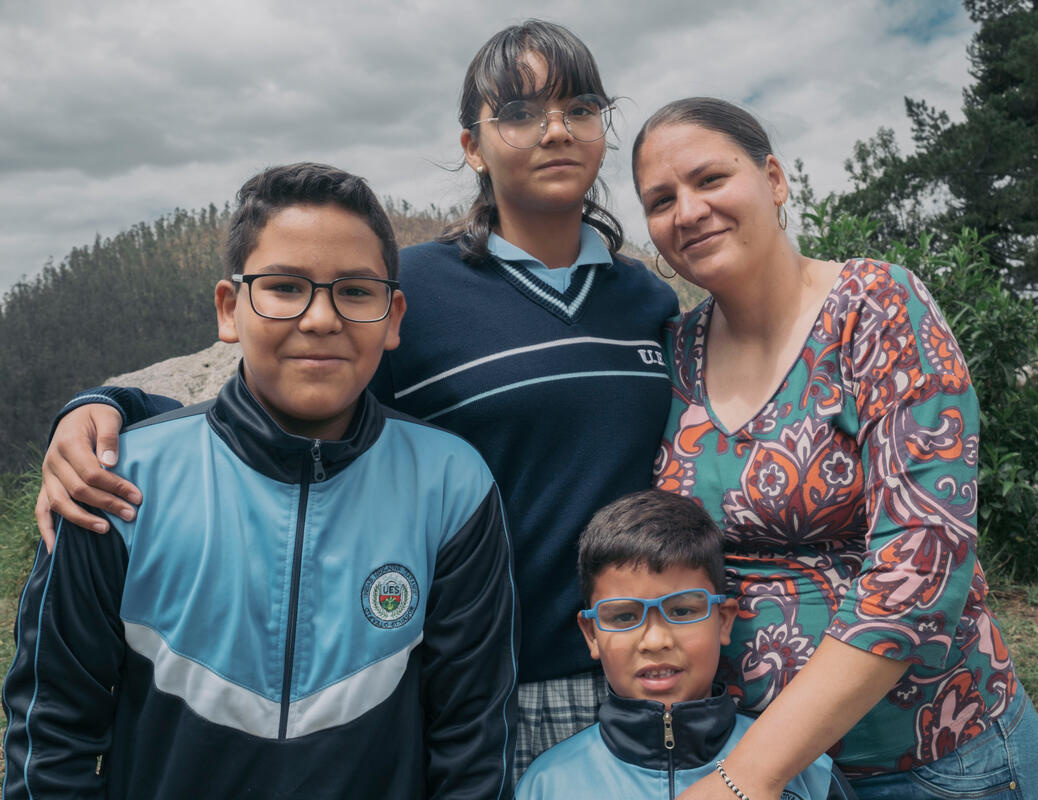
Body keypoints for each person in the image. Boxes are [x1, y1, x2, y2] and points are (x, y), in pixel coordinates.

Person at [31, 20, 678, 774]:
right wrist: (106, 407)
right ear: (472, 145)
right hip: (482, 676)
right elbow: (296, 402)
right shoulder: (424, 290)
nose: (556, 131)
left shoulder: (644, 296)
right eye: (521, 112)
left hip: (644, 666)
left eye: (581, 108)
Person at [3, 163, 518, 799]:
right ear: (229, 308)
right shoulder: (116, 481)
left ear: (392, 317)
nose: (322, 319)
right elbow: (52, 734)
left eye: (356, 292)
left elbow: (471, 741)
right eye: (283, 287)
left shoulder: (451, 487)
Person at [632, 98, 1038, 800]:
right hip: (766, 762)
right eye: (661, 199)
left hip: (931, 760)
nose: (689, 210)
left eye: (710, 178)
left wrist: (746, 778)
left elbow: (921, 564)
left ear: (773, 179)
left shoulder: (877, 308)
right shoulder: (678, 350)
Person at [516, 489, 846, 800]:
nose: (656, 641)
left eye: (683, 611)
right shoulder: (548, 784)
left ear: (723, 620)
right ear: (592, 634)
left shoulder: (801, 771)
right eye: (624, 617)